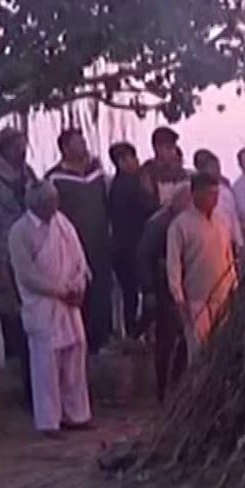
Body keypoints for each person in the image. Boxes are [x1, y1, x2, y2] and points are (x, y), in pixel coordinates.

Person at [9, 182, 95, 437]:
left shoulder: (63, 223)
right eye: (48, 203)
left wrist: (78, 286)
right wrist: (59, 291)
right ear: (34, 205)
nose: (53, 207)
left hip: (70, 302)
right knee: (46, 365)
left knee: (75, 357)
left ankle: (77, 414)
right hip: (43, 305)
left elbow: (79, 259)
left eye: (55, 201)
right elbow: (26, 275)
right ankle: (49, 421)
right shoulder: (20, 232)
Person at [0, 128, 37, 405]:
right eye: (16, 146)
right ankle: (15, 378)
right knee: (11, 316)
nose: (22, 150)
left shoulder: (29, 175)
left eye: (23, 145)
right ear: (4, 148)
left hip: (30, 254)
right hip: (1, 255)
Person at [47, 129, 112, 354]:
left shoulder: (96, 172)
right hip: (73, 245)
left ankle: (103, 339)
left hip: (100, 242)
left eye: (83, 141)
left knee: (102, 291)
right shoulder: (55, 178)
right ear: (65, 147)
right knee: (79, 292)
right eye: (78, 142)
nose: (84, 145)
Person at [167, 172, 238, 362]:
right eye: (209, 194)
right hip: (195, 301)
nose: (213, 199)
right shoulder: (180, 225)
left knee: (223, 351)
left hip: (222, 298)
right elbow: (173, 265)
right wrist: (179, 299)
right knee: (199, 354)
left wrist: (234, 288)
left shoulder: (222, 221)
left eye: (216, 194)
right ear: (195, 194)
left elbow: (228, 257)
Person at [137, 190, 192, 401]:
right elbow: (144, 258)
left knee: (183, 338)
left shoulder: (180, 222)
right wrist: (149, 289)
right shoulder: (159, 224)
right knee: (167, 341)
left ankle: (179, 384)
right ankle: (164, 389)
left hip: (182, 284)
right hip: (163, 288)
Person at [108, 141, 159, 341]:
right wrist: (148, 190)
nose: (136, 161)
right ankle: (135, 333)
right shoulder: (131, 184)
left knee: (129, 295)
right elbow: (151, 209)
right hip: (134, 248)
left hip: (121, 248)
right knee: (143, 293)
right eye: (131, 158)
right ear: (121, 162)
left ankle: (132, 333)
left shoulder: (116, 186)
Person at [193, 149, 244, 252]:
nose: (217, 170)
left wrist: (239, 241)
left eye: (217, 167)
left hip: (227, 242)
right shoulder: (195, 193)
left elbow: (232, 217)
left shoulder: (225, 191)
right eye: (212, 167)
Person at [140, 127, 189, 207]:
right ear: (157, 148)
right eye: (169, 148)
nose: (173, 152)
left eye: (173, 147)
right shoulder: (148, 172)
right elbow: (148, 204)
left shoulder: (179, 171)